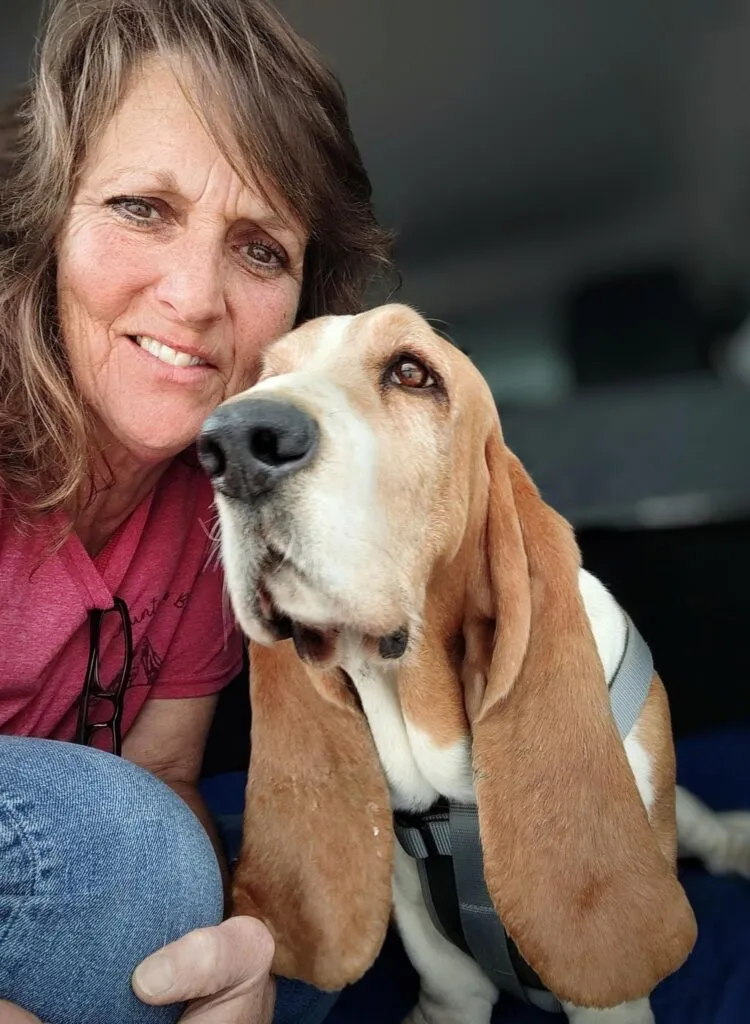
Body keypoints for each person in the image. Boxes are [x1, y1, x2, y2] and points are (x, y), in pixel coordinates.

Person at [0, 1, 393, 1022]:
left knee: (322, 932)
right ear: (49, 218)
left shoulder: (220, 513)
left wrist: (225, 967)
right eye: (142, 207)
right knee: (140, 864)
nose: (195, 295)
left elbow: (165, 770)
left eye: (260, 250)